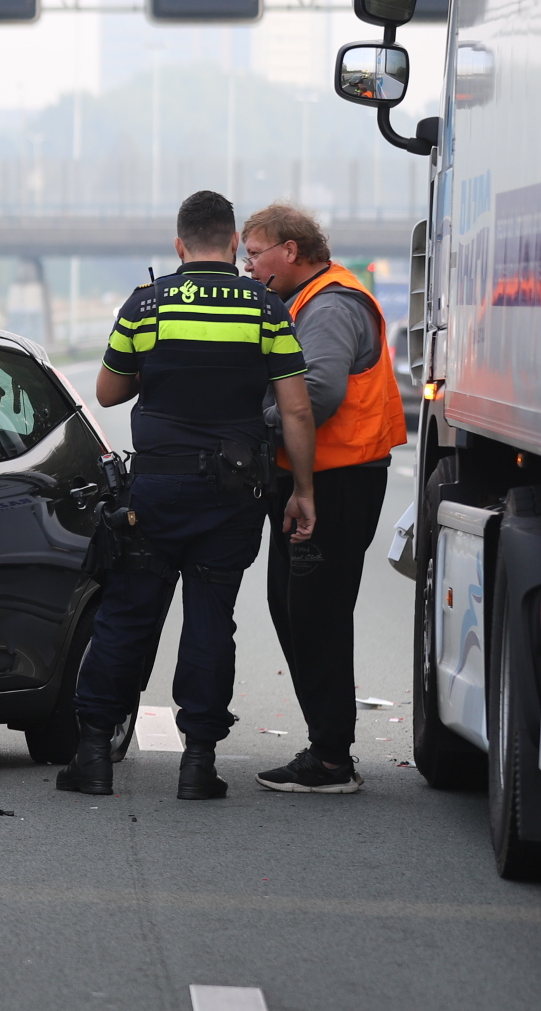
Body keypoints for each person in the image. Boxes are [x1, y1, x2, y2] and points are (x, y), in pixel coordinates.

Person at [58, 190, 318, 801]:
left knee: (126, 617)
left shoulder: (148, 304)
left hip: (155, 491)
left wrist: (164, 366)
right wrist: (302, 490)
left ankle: (93, 754)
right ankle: (198, 764)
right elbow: (297, 407)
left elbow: (108, 391)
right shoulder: (265, 307)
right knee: (210, 624)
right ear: (232, 243)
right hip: (232, 496)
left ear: (180, 245)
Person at [242, 204, 409, 794]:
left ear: (290, 250)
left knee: (314, 614)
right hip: (318, 477)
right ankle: (327, 746)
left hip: (335, 482)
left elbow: (316, 392)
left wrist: (252, 420)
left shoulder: (331, 305)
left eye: (254, 252)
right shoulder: (305, 299)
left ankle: (332, 759)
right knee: (294, 608)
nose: (248, 265)